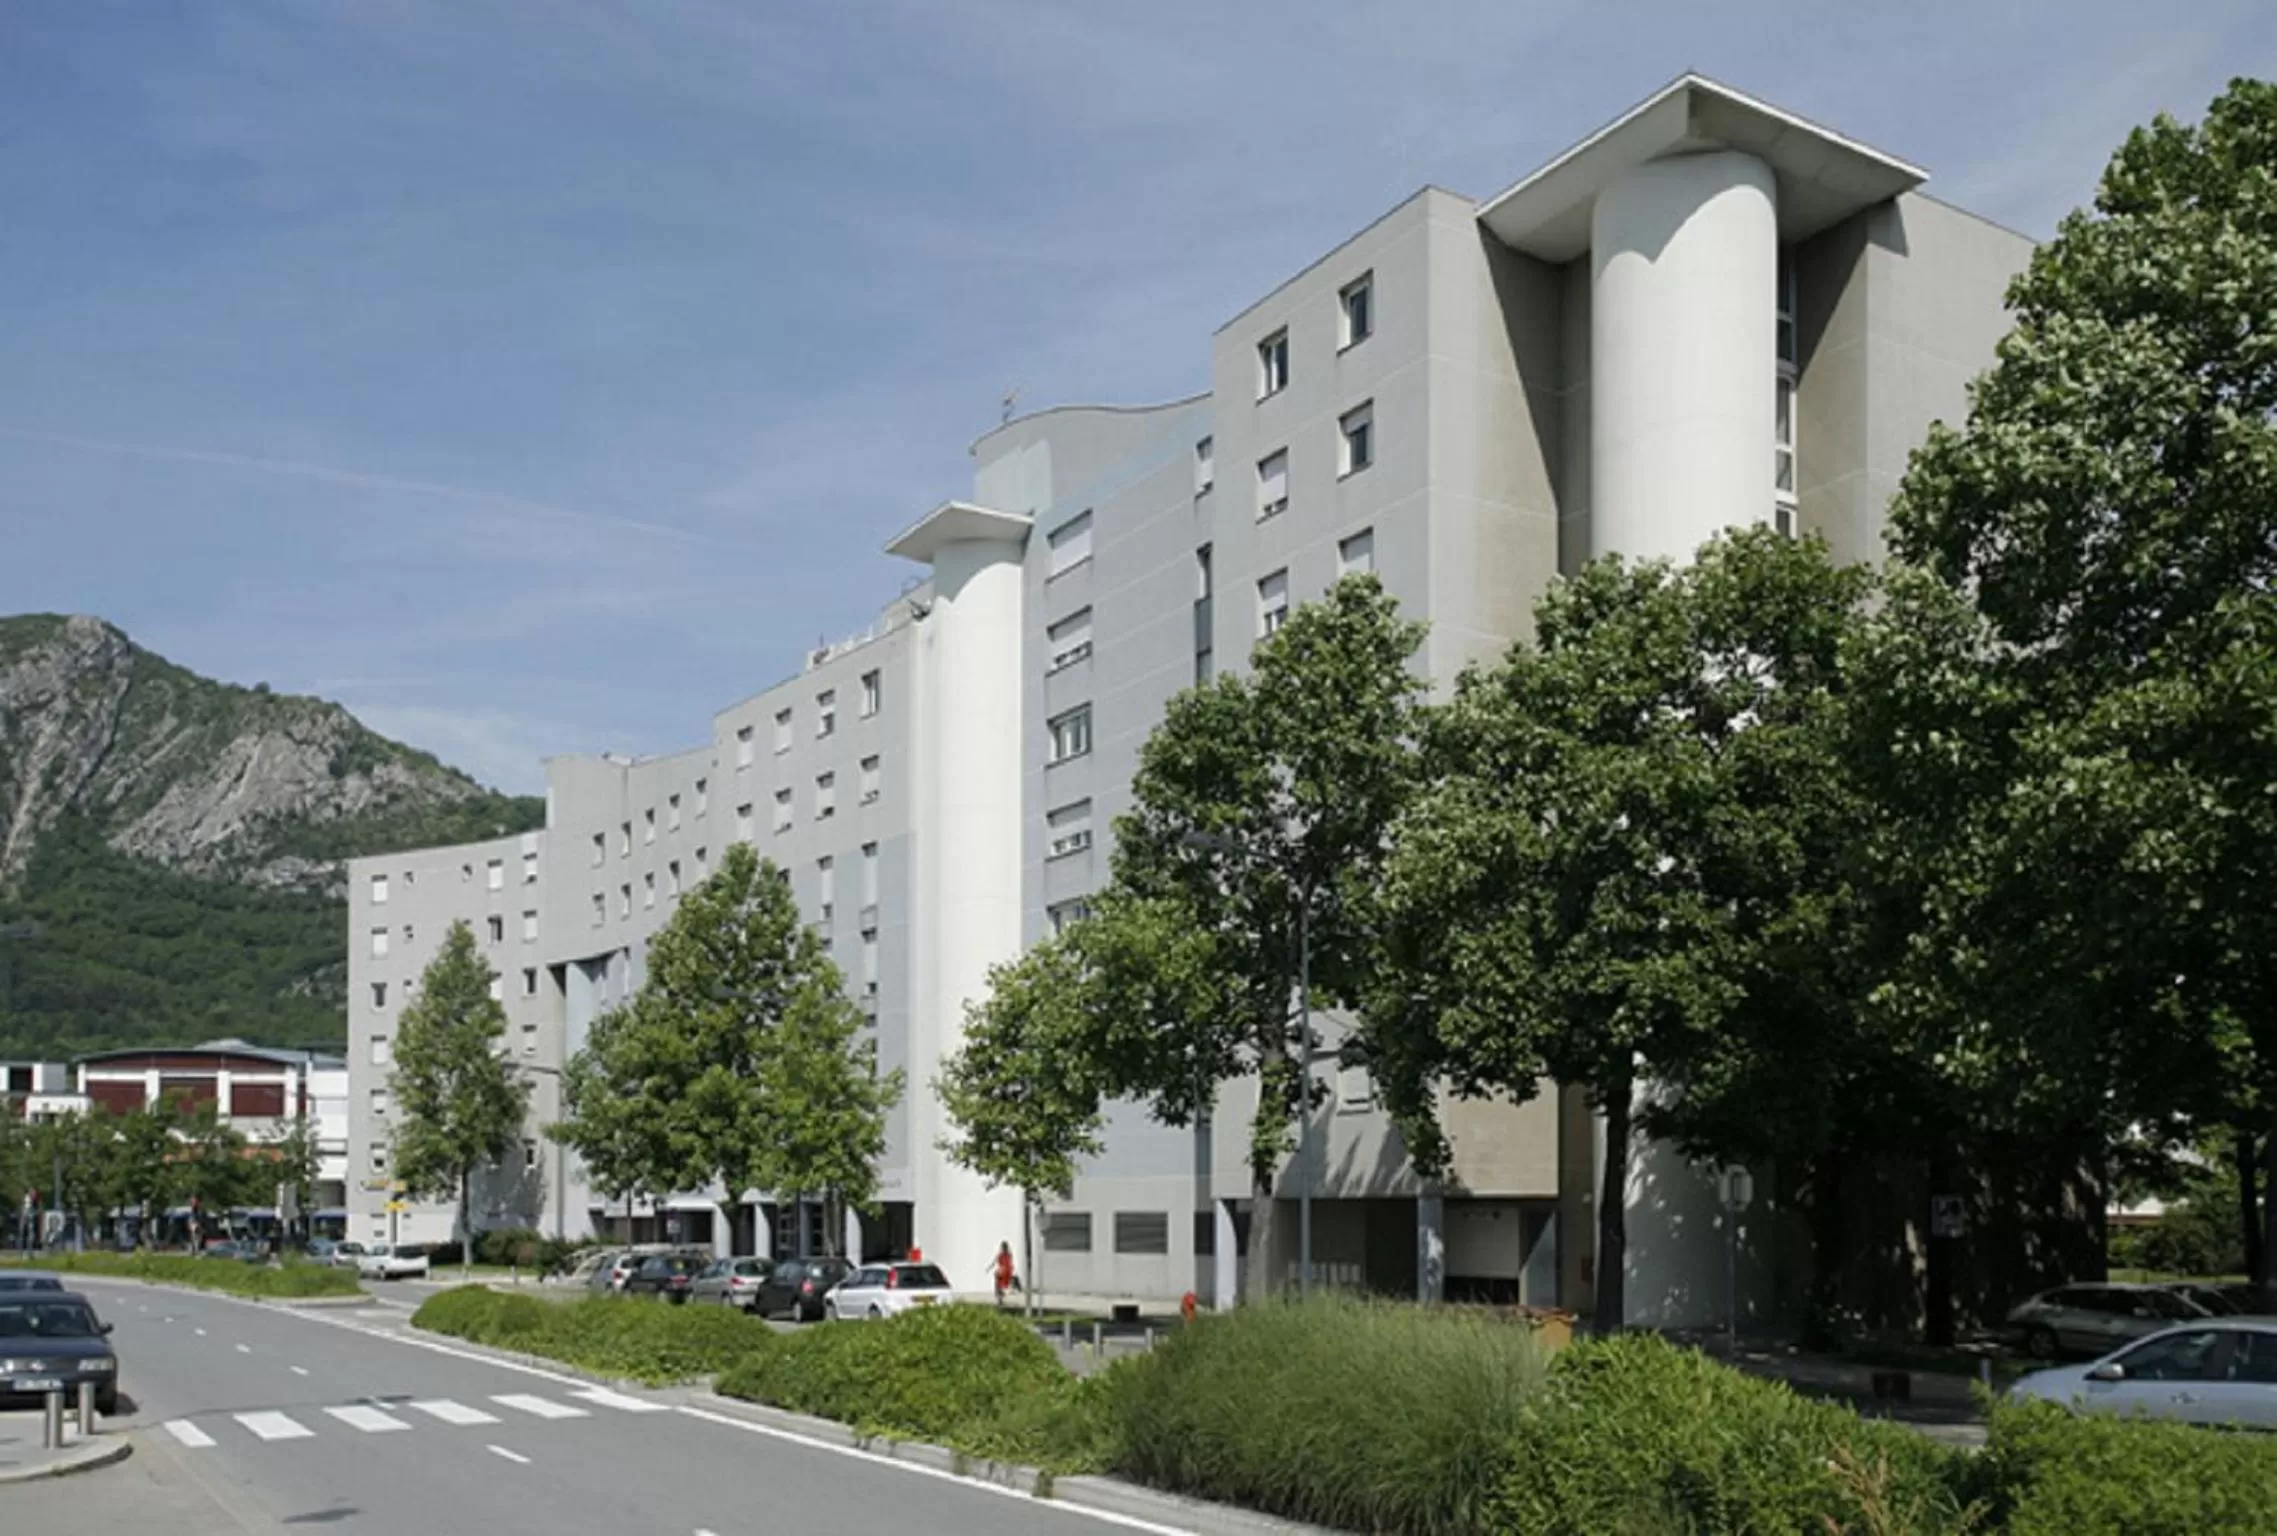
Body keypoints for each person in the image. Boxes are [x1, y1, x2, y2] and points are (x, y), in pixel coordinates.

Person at [990, 1241, 1018, 1308]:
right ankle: (1001, 1296)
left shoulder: (1001, 1254)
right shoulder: (1009, 1254)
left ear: (1002, 1247)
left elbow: (994, 1262)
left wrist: (989, 1268)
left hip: (1003, 1272)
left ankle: (1000, 1297)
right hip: (1007, 1272)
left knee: (998, 1283)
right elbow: (1010, 1263)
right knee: (1000, 1284)